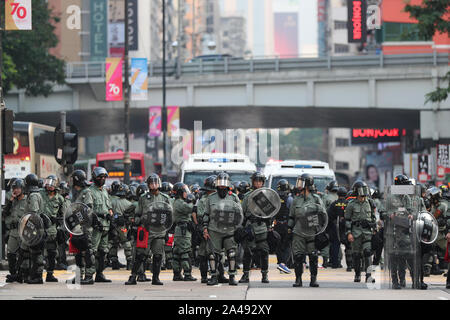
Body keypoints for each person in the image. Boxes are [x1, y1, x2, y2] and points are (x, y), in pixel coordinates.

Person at [125, 173, 172, 285]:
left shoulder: (165, 198)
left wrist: (167, 231)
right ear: (148, 185)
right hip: (146, 230)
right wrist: (136, 224)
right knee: (140, 255)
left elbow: (170, 215)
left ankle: (156, 278)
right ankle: (133, 276)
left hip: (159, 231)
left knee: (158, 255)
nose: (154, 185)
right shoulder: (143, 198)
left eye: (155, 183)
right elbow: (137, 213)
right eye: (151, 183)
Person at [202, 172, 242, 285]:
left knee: (232, 253)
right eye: (220, 184)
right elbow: (206, 214)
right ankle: (214, 276)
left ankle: (232, 277)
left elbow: (239, 214)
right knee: (212, 254)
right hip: (214, 230)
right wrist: (205, 229)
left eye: (224, 184)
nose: (222, 187)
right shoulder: (211, 198)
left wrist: (238, 227)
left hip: (229, 230)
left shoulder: (234, 198)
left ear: (228, 185)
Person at [288, 173, 326, 287]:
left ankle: (313, 279)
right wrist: (289, 229)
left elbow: (323, 214)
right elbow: (291, 216)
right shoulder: (296, 200)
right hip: (298, 232)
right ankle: (298, 279)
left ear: (307, 184)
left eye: (301, 182)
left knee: (313, 256)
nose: (299, 185)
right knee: (298, 256)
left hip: (312, 232)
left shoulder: (316, 199)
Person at [240, 172, 272, 284]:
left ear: (263, 182)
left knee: (264, 251)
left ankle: (264, 275)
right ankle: (245, 275)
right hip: (250, 228)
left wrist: (268, 223)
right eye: (256, 181)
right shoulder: (247, 196)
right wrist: (242, 228)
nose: (258, 183)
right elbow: (242, 213)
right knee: (248, 252)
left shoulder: (266, 195)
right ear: (252, 182)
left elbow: (271, 212)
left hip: (262, 228)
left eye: (260, 181)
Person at [345, 180, 376, 283]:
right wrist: (349, 233)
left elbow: (373, 217)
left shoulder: (370, 203)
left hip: (367, 232)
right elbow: (347, 220)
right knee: (356, 255)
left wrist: (374, 228)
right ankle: (357, 274)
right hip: (356, 232)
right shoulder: (351, 204)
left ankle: (368, 275)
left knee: (367, 253)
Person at [89, 167, 114, 283]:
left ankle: (100, 274)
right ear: (95, 178)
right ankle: (89, 275)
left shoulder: (104, 191)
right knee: (92, 251)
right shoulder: (90, 191)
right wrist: (101, 215)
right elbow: (88, 209)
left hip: (106, 226)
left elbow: (108, 207)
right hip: (96, 226)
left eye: (104, 177)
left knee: (103, 251)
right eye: (100, 177)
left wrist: (110, 214)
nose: (102, 179)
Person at [39, 175, 66, 282]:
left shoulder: (59, 198)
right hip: (40, 228)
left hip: (52, 230)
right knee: (39, 253)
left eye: (52, 183)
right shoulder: (40, 194)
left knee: (52, 253)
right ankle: (38, 274)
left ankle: (50, 274)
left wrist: (58, 221)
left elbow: (63, 214)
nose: (50, 185)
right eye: (48, 182)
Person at [172, 182, 197, 281]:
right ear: (180, 193)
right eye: (184, 192)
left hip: (181, 230)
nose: (186, 194)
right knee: (185, 251)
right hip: (183, 230)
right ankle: (187, 273)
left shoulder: (178, 202)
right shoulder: (179, 202)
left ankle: (177, 273)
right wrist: (193, 201)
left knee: (178, 252)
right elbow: (189, 208)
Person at [4, 179, 27, 283]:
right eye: (14, 188)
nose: (16, 190)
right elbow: (4, 214)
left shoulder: (27, 200)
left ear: (22, 189)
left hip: (23, 231)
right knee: (10, 253)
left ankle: (20, 274)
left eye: (17, 188)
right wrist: (10, 201)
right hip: (13, 231)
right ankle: (13, 274)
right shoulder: (11, 200)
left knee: (23, 254)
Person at [195, 175, 217, 283]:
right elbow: (200, 215)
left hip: (216, 229)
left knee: (216, 253)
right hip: (206, 229)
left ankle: (218, 275)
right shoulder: (203, 200)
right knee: (204, 254)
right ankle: (204, 276)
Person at [108, 183, 134, 270]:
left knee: (113, 243)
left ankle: (114, 262)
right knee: (126, 242)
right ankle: (129, 262)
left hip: (113, 225)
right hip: (123, 226)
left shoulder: (112, 201)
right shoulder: (129, 204)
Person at [273, 179, 293, 274]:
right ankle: (283, 264)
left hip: (276, 225)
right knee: (287, 245)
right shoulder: (289, 199)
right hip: (286, 225)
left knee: (278, 245)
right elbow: (292, 212)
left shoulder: (275, 198)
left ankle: (280, 262)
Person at [327, 187, 348, 269]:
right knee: (349, 247)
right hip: (346, 227)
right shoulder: (348, 203)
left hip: (335, 227)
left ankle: (335, 264)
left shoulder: (334, 204)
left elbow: (329, 216)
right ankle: (350, 265)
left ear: (338, 194)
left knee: (335, 245)